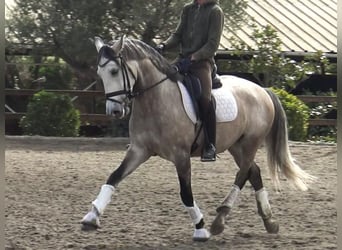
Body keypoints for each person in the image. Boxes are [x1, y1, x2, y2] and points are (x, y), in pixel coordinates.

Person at [156, 0, 224, 161]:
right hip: (182, 60)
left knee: (204, 99)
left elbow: (212, 44)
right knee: (159, 85)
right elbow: (177, 35)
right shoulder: (188, 9)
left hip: (202, 63)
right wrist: (163, 46)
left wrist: (195, 57)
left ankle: (210, 145)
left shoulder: (215, 11)